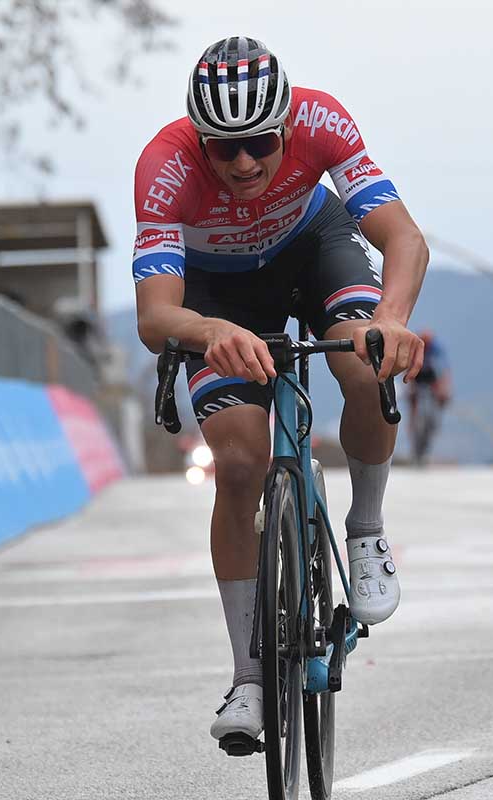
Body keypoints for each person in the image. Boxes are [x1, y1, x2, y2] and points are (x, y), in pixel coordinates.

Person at [132, 36, 429, 746]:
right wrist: (208, 334)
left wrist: (389, 321)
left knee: (363, 367)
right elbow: (154, 316)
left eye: (260, 143)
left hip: (310, 249)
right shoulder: (164, 165)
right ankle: (249, 678)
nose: (242, 163)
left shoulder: (324, 121)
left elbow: (405, 238)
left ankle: (365, 528)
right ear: (198, 139)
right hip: (215, 292)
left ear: (289, 126)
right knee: (237, 467)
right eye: (222, 148)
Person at [407, 329, 451, 465]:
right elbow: (406, 367)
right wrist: (410, 387)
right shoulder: (414, 345)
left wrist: (444, 390)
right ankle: (413, 426)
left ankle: (431, 428)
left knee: (437, 405)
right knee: (412, 402)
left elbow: (444, 370)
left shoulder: (436, 348)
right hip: (416, 375)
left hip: (431, 377)